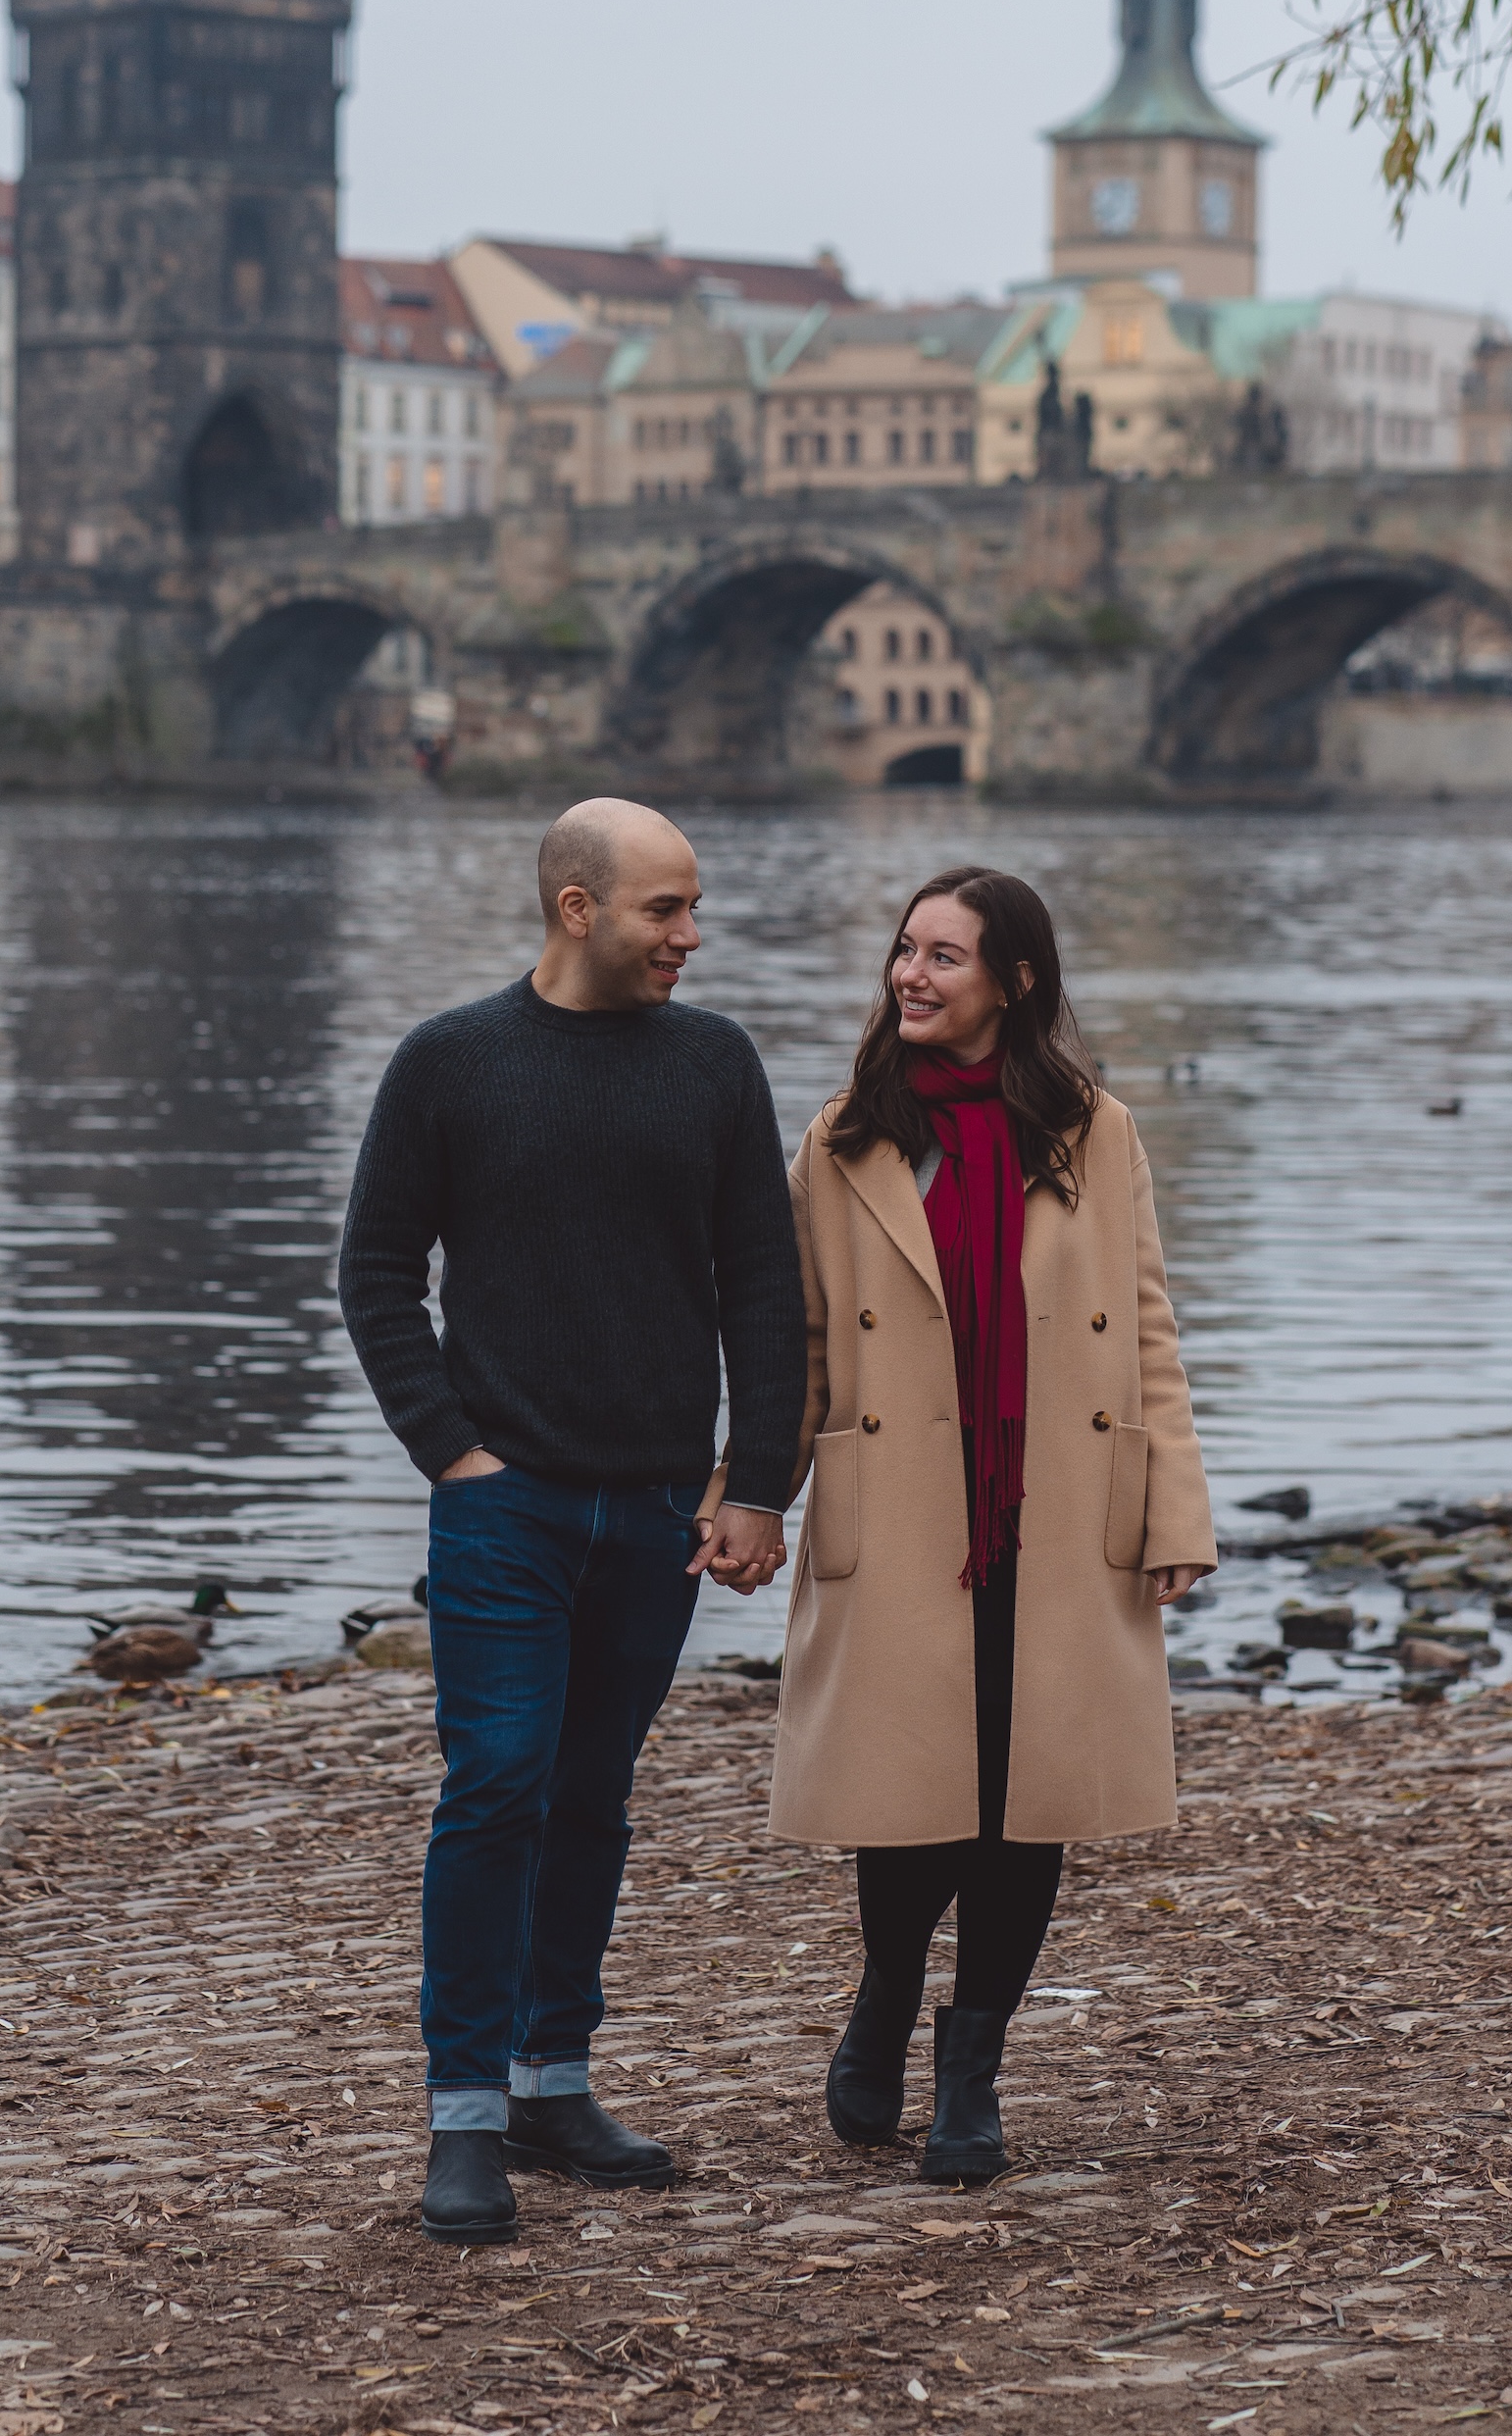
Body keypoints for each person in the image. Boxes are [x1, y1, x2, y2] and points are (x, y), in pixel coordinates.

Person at [336, 798, 804, 2245]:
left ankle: (554, 2080)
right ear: (575, 908)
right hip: (507, 1506)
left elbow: (761, 1290)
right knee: (499, 1786)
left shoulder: (715, 1065)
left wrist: (758, 1482)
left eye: (695, 905)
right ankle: (465, 2114)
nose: (691, 934)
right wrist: (454, 1456)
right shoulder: (451, 1062)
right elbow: (373, 1275)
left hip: (663, 1503)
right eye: (666, 908)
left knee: (592, 1793)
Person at [753, 863, 1213, 2183]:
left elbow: (1150, 1327)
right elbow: (793, 1346)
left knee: (1028, 1801)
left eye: (944, 956)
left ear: (1013, 981)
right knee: (912, 1799)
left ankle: (974, 2063)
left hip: (1059, 1508)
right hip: (900, 1507)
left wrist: (1174, 1504)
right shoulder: (843, 1141)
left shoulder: (1094, 1131)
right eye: (905, 949)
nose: (912, 974)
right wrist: (752, 1499)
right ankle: (888, 1993)